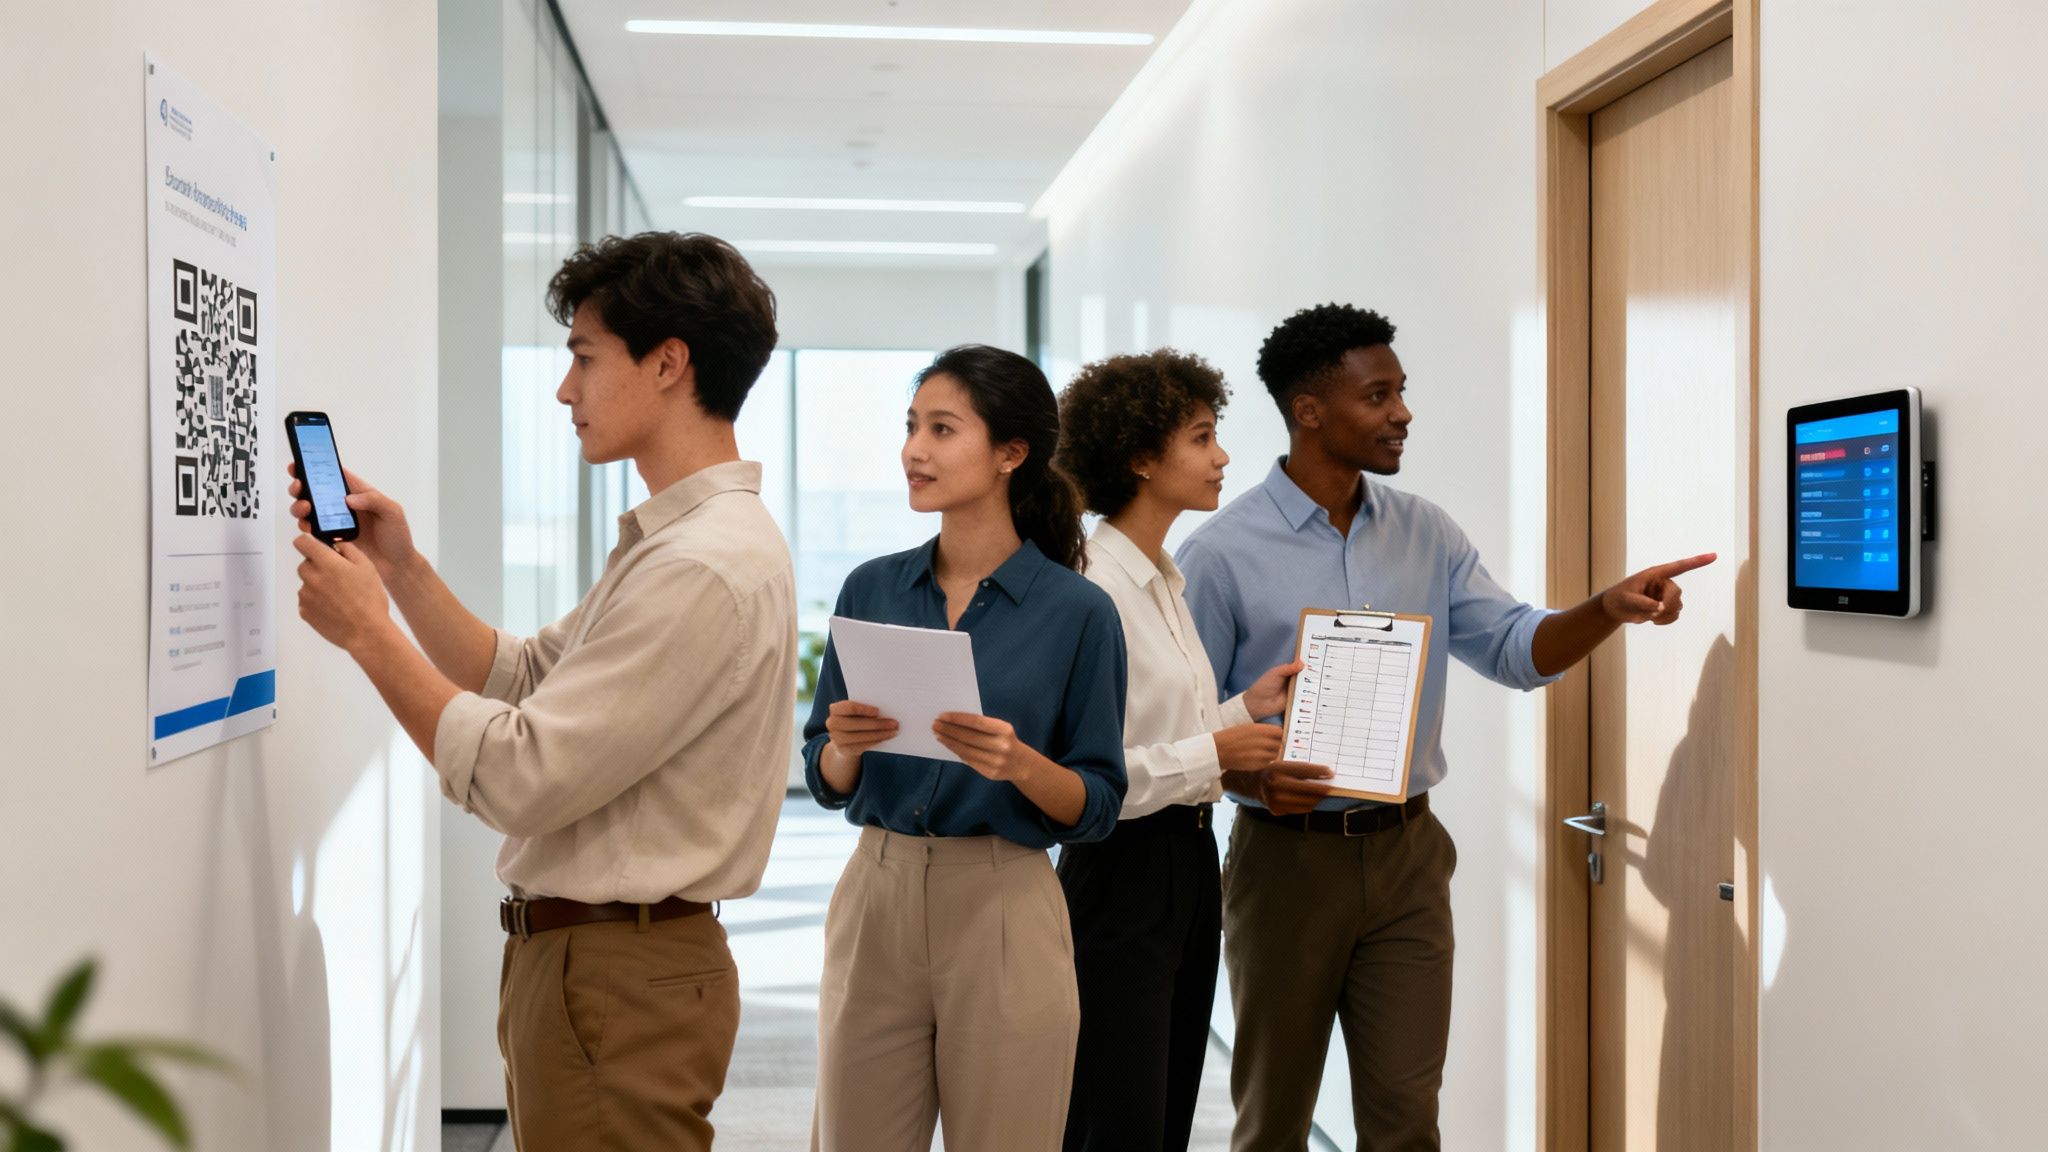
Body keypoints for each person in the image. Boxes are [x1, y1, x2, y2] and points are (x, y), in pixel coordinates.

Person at [289, 232, 795, 1152]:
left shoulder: (703, 564)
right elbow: (525, 677)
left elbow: (524, 774)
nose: (566, 389)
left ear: (669, 363)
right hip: (601, 965)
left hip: (618, 974)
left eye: (583, 357)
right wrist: (399, 569)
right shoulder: (684, 543)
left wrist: (368, 633)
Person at [1176, 304, 1714, 1151]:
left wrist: (1606, 609)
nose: (1403, 412)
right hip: (1285, 864)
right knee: (1274, 1117)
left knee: (1405, 1119)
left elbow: (1513, 648)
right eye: (1378, 394)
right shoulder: (1219, 555)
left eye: (1401, 391)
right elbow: (1182, 732)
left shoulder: (1425, 531)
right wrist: (1248, 778)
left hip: (1408, 861)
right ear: (1309, 411)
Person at [802, 344, 1128, 1152]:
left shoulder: (1079, 612)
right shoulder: (869, 589)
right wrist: (844, 746)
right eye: (912, 427)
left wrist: (1019, 763)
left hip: (1005, 904)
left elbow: (1098, 803)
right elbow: (824, 771)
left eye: (943, 429)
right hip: (875, 894)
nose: (915, 449)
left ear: (1012, 453)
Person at [1051, 349, 1304, 1151]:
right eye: (1201, 438)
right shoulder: (1091, 587)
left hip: (1189, 863)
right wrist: (1220, 751)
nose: (1222, 455)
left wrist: (1242, 709)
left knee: (1163, 1109)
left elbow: (1160, 728)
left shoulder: (1166, 578)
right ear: (1138, 458)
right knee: (1114, 1117)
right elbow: (1085, 776)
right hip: (1120, 870)